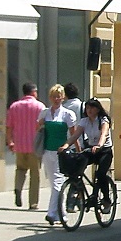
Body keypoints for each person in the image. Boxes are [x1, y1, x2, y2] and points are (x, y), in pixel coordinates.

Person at [39, 84, 77, 225]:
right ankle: (62, 214)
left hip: (61, 152)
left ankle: (51, 213)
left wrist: (77, 149)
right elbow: (38, 129)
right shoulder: (45, 113)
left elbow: (73, 134)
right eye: (54, 96)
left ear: (63, 98)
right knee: (54, 183)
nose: (56, 99)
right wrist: (41, 124)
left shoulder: (67, 114)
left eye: (59, 96)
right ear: (50, 98)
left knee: (58, 183)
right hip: (47, 151)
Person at [5, 82, 45, 210]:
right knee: (35, 174)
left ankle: (17, 188)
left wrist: (10, 141)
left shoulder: (14, 106)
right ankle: (33, 203)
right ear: (34, 92)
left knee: (20, 169)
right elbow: (44, 126)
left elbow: (9, 126)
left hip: (19, 145)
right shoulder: (40, 107)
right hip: (35, 146)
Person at [69, 98, 115, 205]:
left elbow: (104, 134)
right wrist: (65, 145)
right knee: (77, 166)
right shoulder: (84, 121)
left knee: (100, 174)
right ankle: (79, 194)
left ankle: (106, 199)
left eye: (92, 108)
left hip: (104, 151)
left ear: (97, 109)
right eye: (87, 108)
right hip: (92, 150)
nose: (89, 110)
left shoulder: (103, 120)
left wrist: (99, 145)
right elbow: (75, 135)